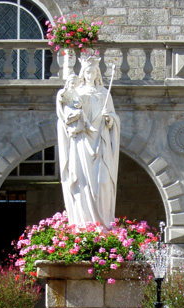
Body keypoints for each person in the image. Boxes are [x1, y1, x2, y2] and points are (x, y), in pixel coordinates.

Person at [56, 55, 120, 228]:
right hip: (82, 141)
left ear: (97, 73)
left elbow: (113, 117)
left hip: (101, 141)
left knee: (103, 181)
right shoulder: (77, 93)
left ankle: (103, 224)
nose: (90, 75)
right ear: (83, 73)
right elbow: (65, 113)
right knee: (82, 182)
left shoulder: (104, 93)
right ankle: (84, 225)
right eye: (87, 72)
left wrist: (110, 119)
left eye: (93, 72)